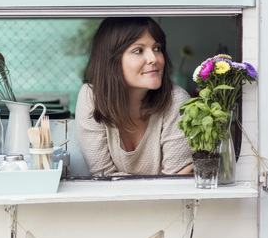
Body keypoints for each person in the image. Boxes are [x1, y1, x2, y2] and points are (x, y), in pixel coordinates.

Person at [75, 17, 193, 177]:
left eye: (157, 48)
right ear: (112, 59)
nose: (154, 59)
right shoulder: (91, 97)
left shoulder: (177, 100)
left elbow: (174, 183)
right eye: (138, 50)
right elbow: (102, 178)